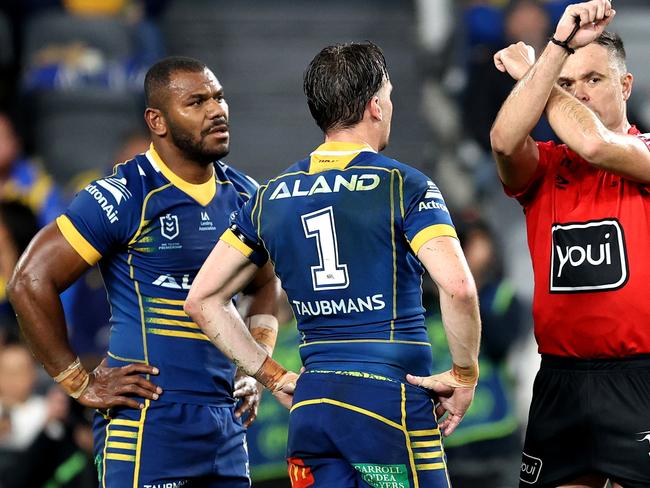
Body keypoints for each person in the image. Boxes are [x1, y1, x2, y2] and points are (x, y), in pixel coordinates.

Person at [185, 41, 481, 487]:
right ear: (374, 106)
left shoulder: (270, 197)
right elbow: (458, 288)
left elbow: (202, 299)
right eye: (390, 96)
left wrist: (274, 376)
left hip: (312, 406)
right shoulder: (404, 185)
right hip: (389, 404)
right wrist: (464, 375)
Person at [8, 56, 281, 487]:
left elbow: (266, 285)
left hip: (225, 425)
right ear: (157, 120)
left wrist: (254, 369)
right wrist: (78, 383)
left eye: (219, 97)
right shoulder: (124, 195)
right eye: (196, 101)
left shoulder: (246, 196)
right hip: (147, 423)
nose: (216, 110)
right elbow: (29, 281)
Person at [490, 1, 650, 486]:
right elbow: (502, 141)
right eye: (566, 84)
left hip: (640, 378)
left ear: (625, 86)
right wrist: (549, 61)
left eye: (594, 80)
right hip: (560, 379)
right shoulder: (545, 166)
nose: (579, 94)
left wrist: (544, 65)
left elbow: (596, 144)